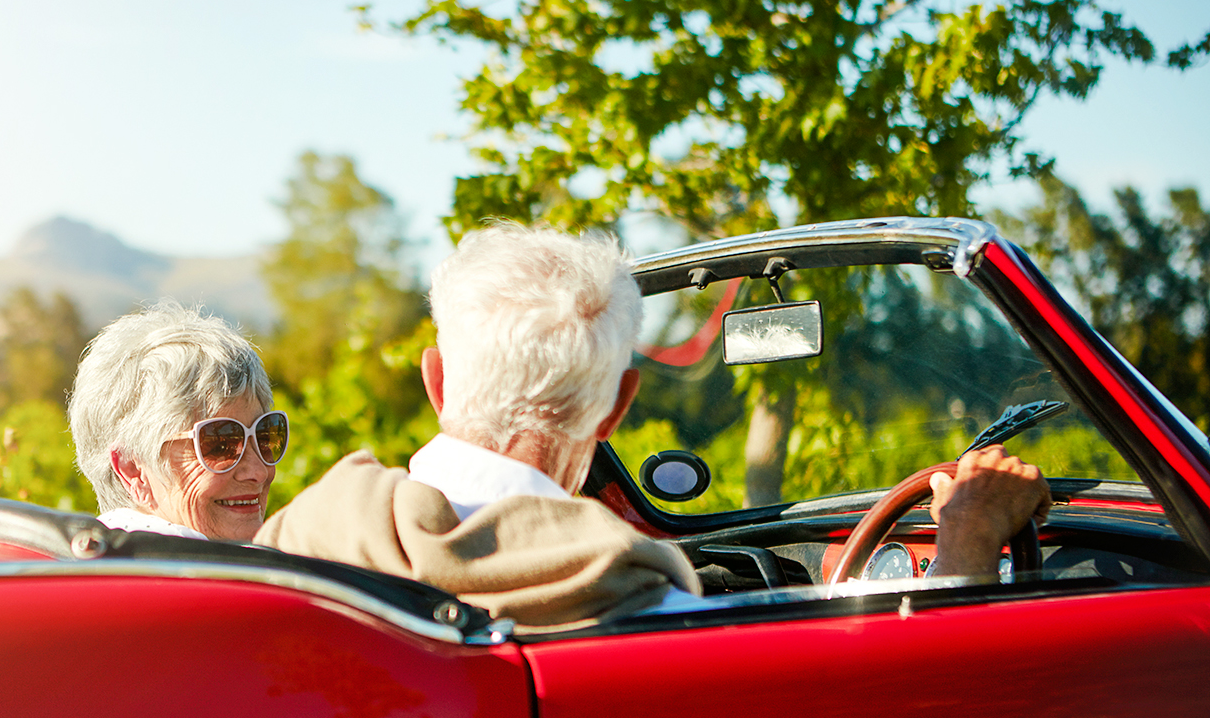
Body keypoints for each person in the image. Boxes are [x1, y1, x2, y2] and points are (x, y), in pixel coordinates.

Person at [258, 222, 1051, 627]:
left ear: (435, 380)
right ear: (618, 405)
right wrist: (968, 544)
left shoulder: (295, 546)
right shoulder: (628, 602)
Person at [69, 301, 287, 542]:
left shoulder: (91, 563)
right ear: (133, 469)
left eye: (265, 435)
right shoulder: (187, 572)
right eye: (220, 443)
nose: (258, 471)